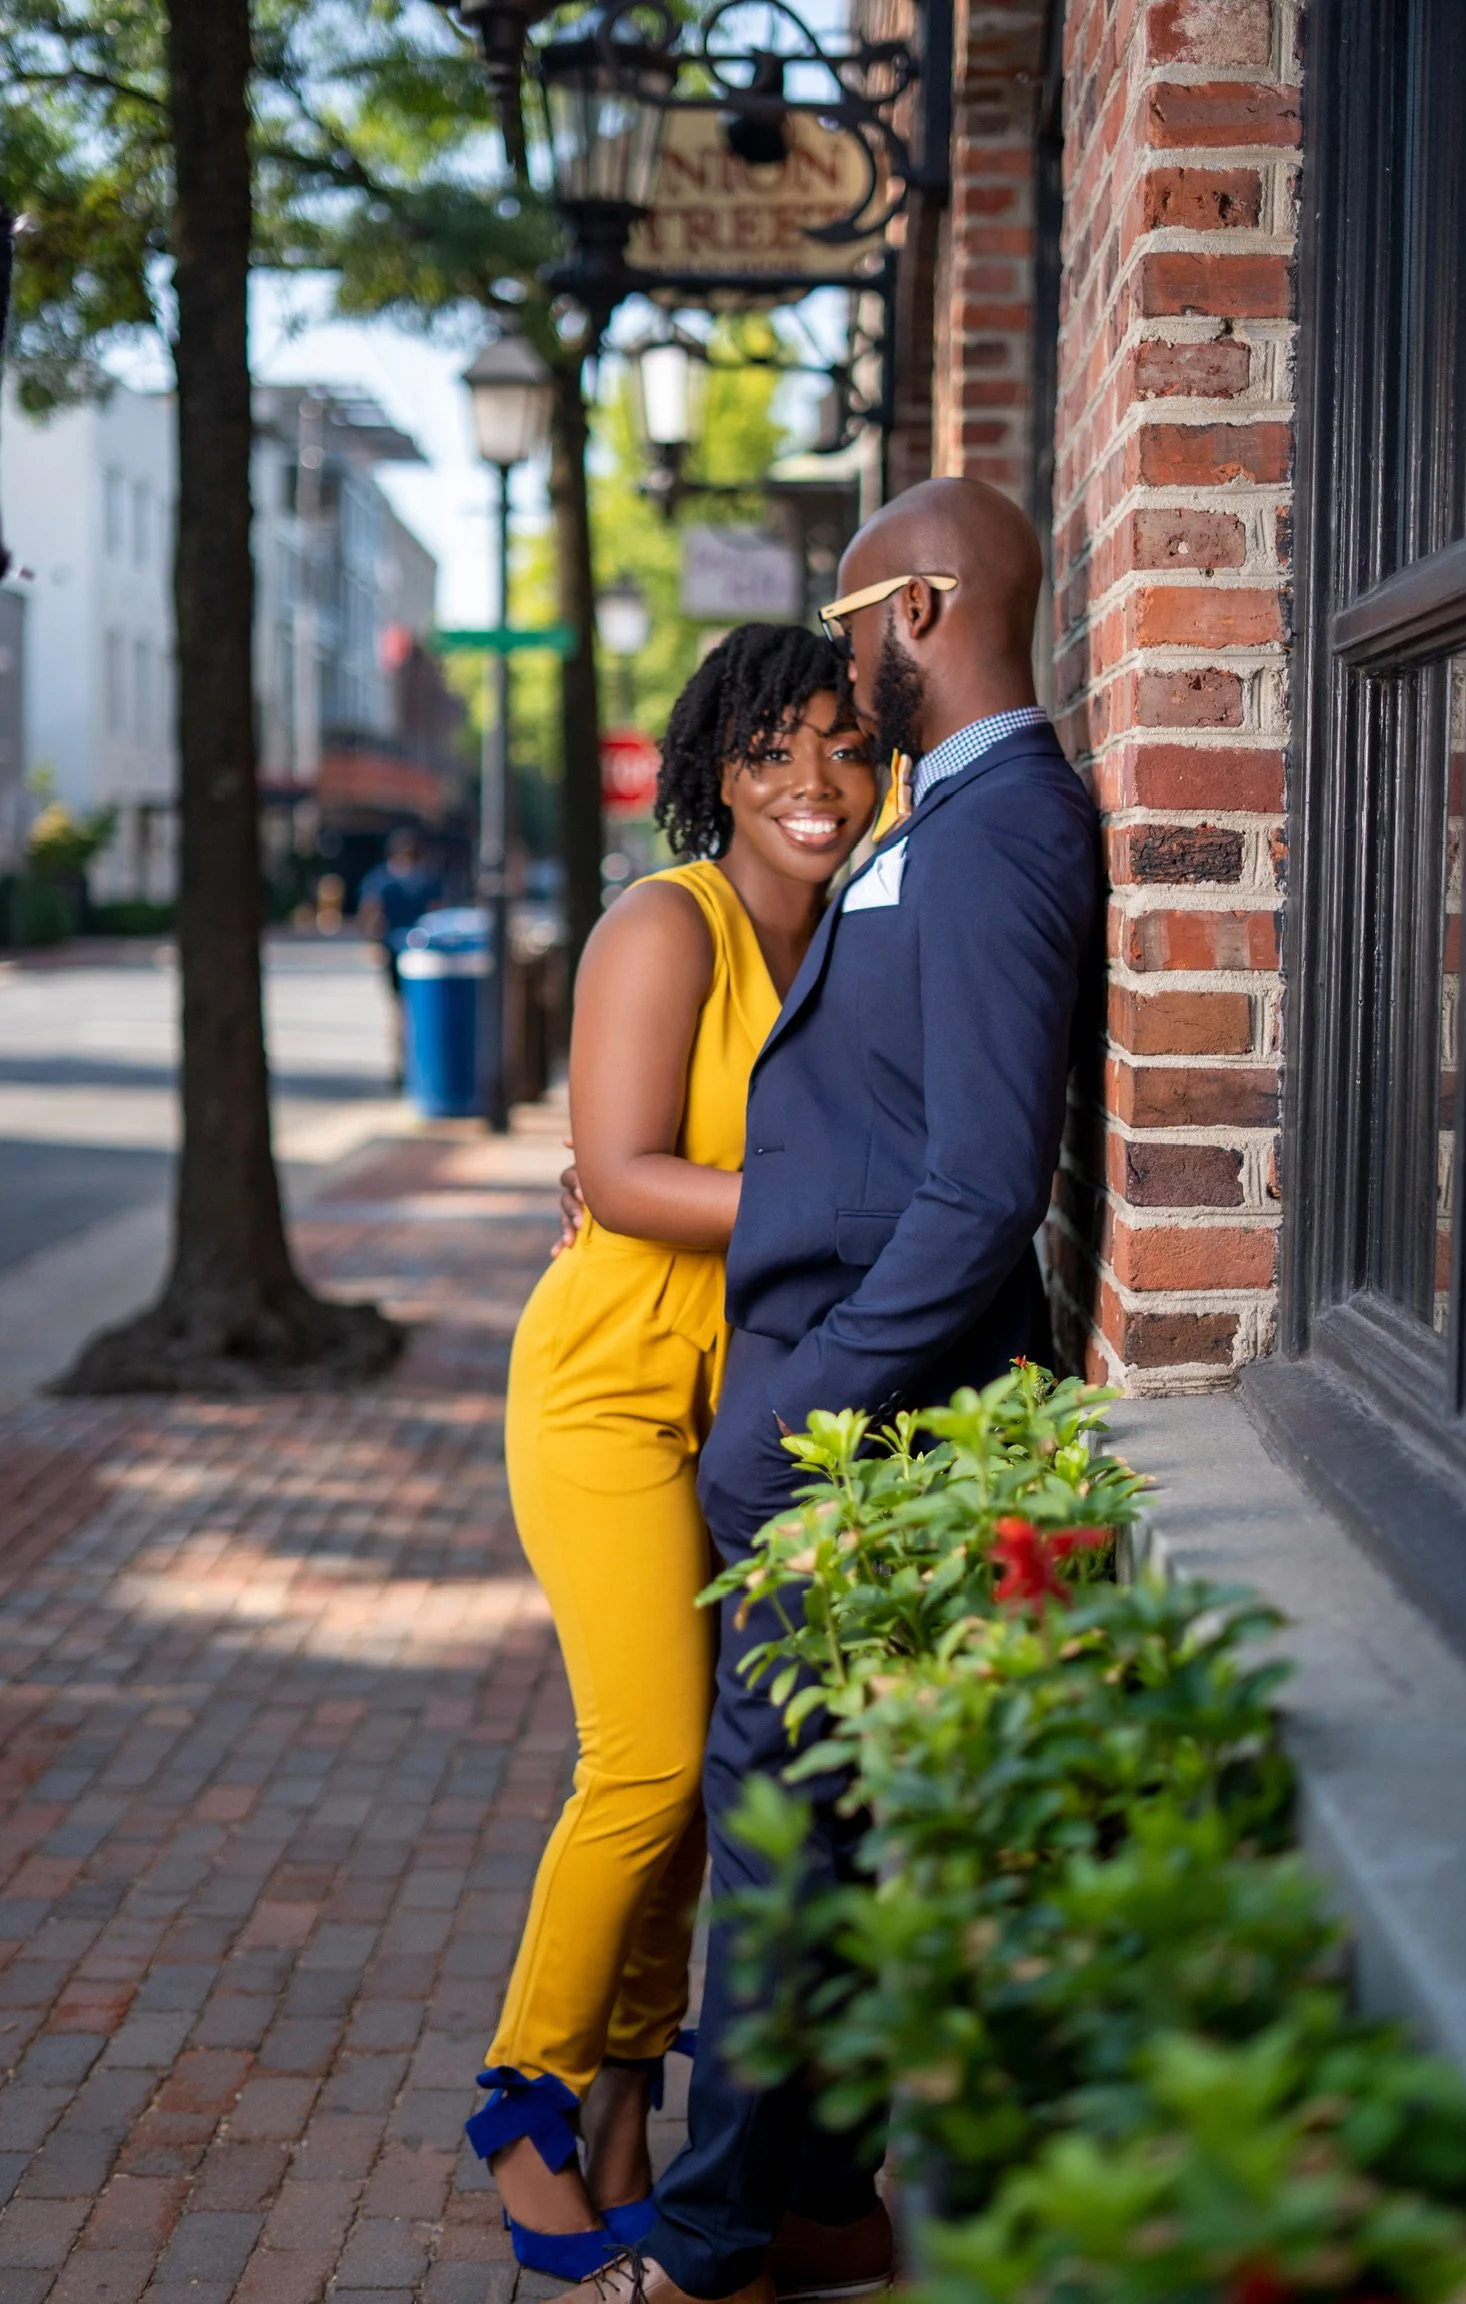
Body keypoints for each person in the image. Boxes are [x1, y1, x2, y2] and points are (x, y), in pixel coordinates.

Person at [546, 477, 1102, 2304]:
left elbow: (978, 1183)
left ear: (922, 609)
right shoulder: (933, 824)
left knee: (790, 1856)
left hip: (853, 1428)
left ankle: (712, 2235)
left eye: (858, 617)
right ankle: (793, 2207)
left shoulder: (996, 822)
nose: (849, 665)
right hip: (819, 1415)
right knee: (808, 1844)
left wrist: (806, 1415)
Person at [463, 625, 878, 2282]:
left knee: (708, 1793)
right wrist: (861, 1215)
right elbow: (626, 1172)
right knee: (641, 1763)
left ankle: (631, 2096)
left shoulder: (860, 933)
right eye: (772, 750)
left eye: (844, 745)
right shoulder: (665, 922)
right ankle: (529, 2093)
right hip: (614, 1392)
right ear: (710, 770)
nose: (813, 784)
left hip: (749, 1411)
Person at [357, 828, 444, 1085]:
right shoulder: (426, 880)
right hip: (421, 955)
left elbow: (370, 912)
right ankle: (413, 1064)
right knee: (414, 1011)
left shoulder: (383, 879)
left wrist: (374, 941)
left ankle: (405, 1065)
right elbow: (437, 915)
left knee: (402, 1011)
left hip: (397, 951)